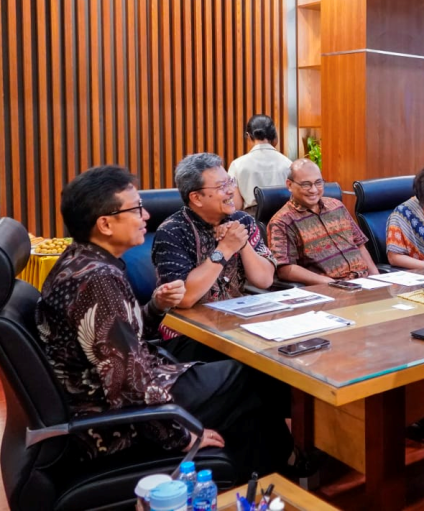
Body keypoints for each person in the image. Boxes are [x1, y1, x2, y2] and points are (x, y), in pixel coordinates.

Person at [36, 166, 293, 477]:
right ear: (105, 224)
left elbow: (120, 338)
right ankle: (271, 474)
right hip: (115, 415)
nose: (146, 217)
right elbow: (125, 382)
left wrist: (155, 306)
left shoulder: (84, 262)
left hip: (143, 378)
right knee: (254, 377)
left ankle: (263, 467)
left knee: (248, 382)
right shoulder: (98, 281)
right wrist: (178, 434)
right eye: (136, 209)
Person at [152, 153, 276, 353]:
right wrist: (225, 248)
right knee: (259, 367)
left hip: (238, 323)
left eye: (230, 182)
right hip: (188, 334)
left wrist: (241, 243)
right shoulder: (172, 231)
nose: (231, 191)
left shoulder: (243, 221)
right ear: (196, 198)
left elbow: (265, 280)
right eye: (221, 187)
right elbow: (184, 298)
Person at [267, 158, 380, 284]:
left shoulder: (337, 206)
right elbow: (285, 268)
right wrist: (331, 283)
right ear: (289, 185)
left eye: (318, 183)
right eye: (306, 184)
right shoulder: (282, 221)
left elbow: (359, 244)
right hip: (330, 288)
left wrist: (377, 279)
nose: (314, 190)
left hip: (364, 283)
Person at [227, 114, 293, 218]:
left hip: (252, 221)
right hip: (284, 219)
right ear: (274, 135)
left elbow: (236, 205)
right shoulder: (288, 163)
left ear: (248, 136)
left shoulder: (237, 164)